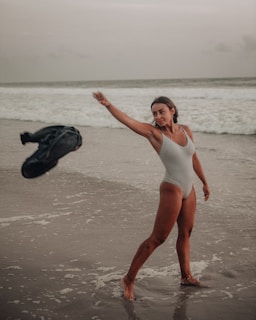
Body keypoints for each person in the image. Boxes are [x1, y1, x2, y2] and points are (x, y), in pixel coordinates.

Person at [93, 92, 210, 300]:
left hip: (189, 189)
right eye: (154, 113)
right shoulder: (154, 134)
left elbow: (193, 157)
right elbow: (129, 121)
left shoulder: (186, 130)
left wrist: (204, 182)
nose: (157, 117)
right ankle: (128, 279)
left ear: (172, 110)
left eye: (161, 112)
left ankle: (186, 276)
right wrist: (108, 105)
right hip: (172, 187)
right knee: (158, 238)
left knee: (186, 233)